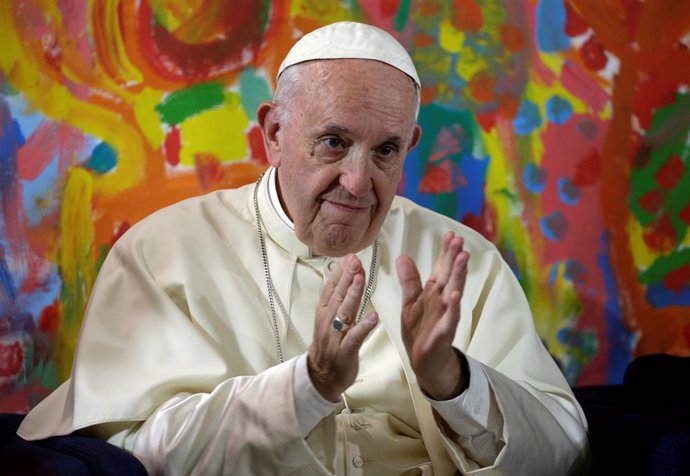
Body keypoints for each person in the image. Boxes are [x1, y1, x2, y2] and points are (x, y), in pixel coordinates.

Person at [18, 21, 589, 475]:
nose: (359, 182)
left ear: (409, 146)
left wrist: (454, 382)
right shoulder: (164, 251)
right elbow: (141, 456)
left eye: (386, 151)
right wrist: (308, 385)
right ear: (273, 134)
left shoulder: (459, 258)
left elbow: (562, 451)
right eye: (334, 143)